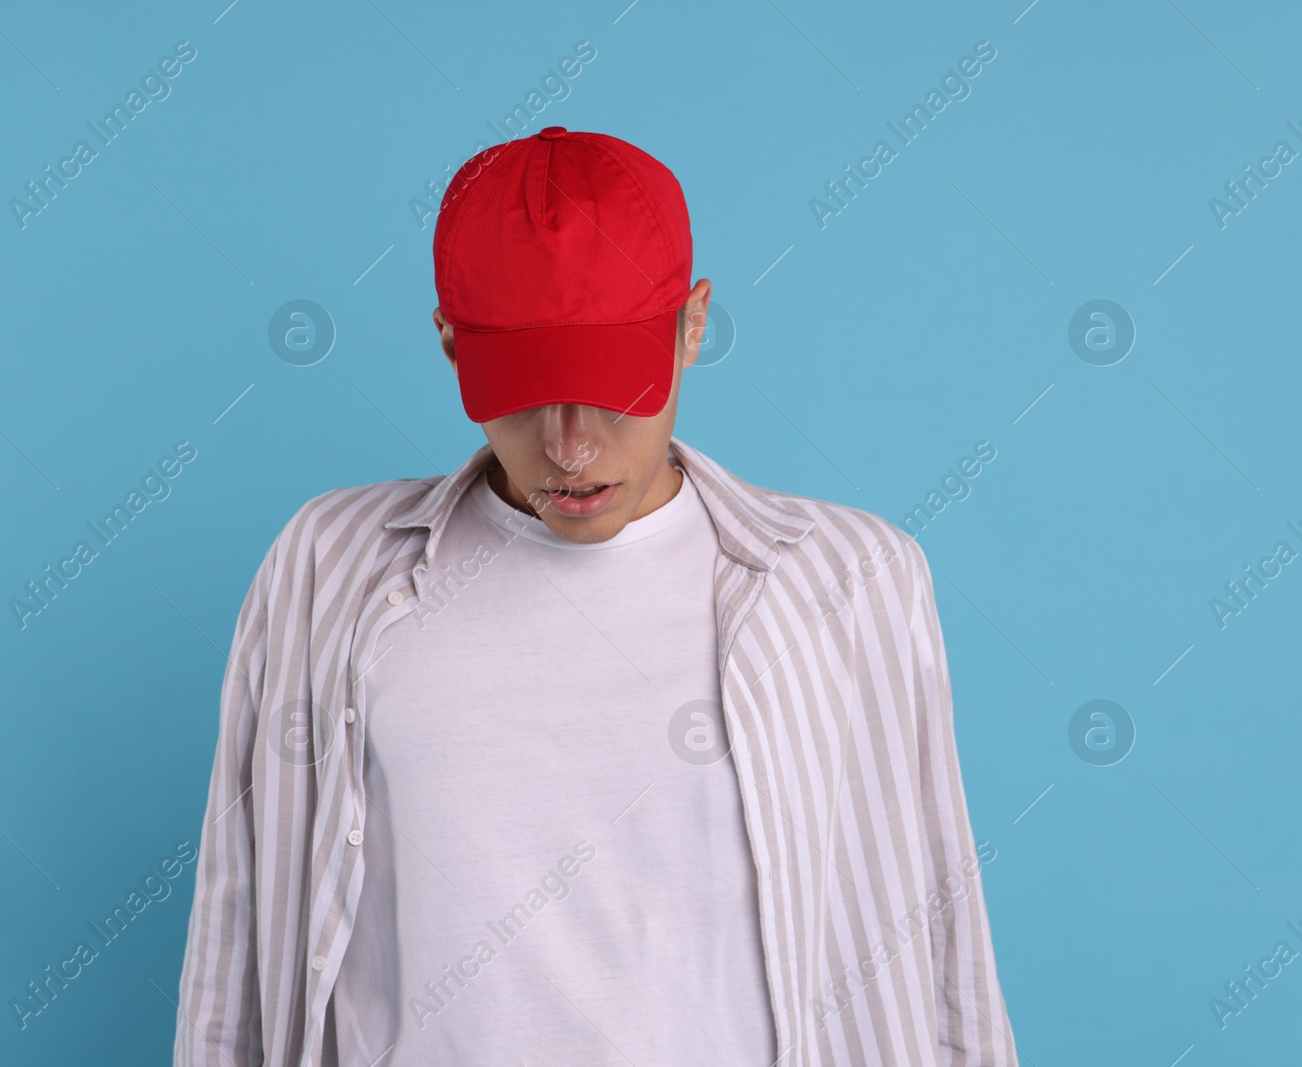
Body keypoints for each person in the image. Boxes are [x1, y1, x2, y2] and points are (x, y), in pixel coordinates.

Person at [173, 126, 1018, 1066]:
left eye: (616, 386)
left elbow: (943, 952)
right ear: (451, 344)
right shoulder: (326, 568)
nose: (571, 447)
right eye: (528, 389)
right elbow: (237, 954)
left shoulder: (854, 582)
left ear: (694, 326)